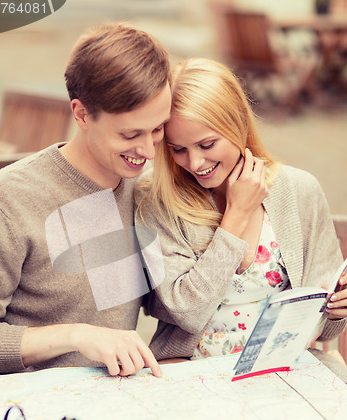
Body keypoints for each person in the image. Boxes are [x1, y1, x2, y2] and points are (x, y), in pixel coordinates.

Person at [135, 58, 347, 378]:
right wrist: (236, 215)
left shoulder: (300, 190)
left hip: (282, 367)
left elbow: (327, 331)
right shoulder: (156, 199)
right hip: (191, 368)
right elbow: (188, 313)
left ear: (237, 125)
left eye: (207, 144)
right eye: (178, 149)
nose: (195, 162)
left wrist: (336, 312)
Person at [0, 22, 171, 376]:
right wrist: (76, 335)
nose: (148, 150)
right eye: (130, 134)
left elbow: (173, 304)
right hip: (31, 415)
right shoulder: (7, 202)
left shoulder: (144, 190)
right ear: (82, 114)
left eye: (158, 129)